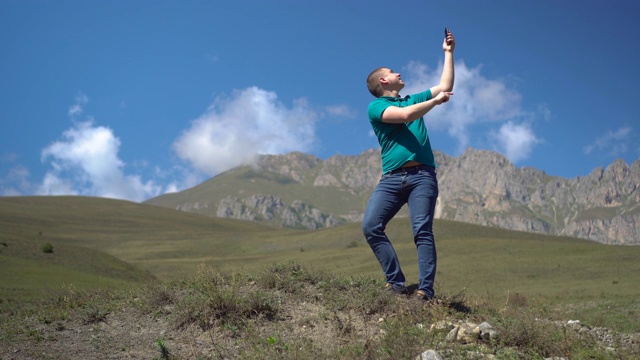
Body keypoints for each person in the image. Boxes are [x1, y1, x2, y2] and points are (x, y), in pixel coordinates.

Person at [363, 29, 455, 301]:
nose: (398, 73)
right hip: (391, 179)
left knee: (422, 230)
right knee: (371, 226)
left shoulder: (413, 99)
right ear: (383, 80)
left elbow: (445, 84)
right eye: (393, 71)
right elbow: (403, 116)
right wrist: (434, 102)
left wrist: (448, 52)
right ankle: (396, 283)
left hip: (422, 176)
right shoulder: (376, 106)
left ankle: (425, 290)